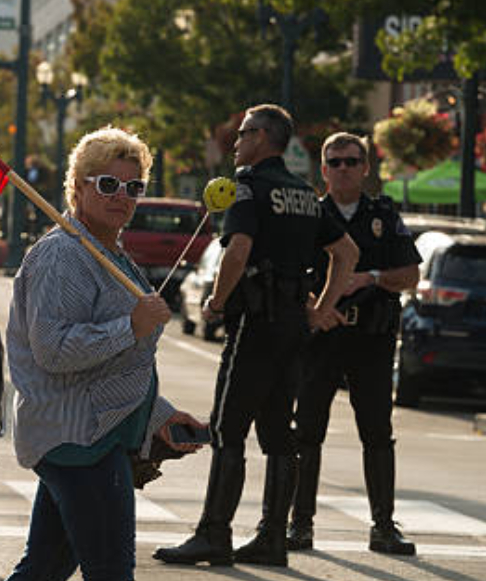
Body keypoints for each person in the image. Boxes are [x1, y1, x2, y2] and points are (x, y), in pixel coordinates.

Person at [153, 104, 359, 568]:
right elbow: (346, 252)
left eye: (243, 133)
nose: (236, 142)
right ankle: (271, 538)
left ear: (263, 138)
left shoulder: (249, 187)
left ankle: (214, 533)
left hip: (255, 322)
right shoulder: (305, 193)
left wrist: (218, 302)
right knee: (277, 435)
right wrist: (322, 310)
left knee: (228, 429)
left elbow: (239, 249)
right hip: (292, 325)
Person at [5, 126, 206, 581]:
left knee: (43, 570)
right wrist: (130, 325)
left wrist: (160, 417)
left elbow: (117, 371)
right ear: (78, 187)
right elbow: (52, 351)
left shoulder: (110, 254)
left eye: (134, 187)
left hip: (91, 438)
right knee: (111, 572)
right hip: (80, 442)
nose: (123, 197)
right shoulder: (64, 256)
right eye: (108, 184)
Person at [285, 132, 422, 556]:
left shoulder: (382, 215)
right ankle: (299, 524)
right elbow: (286, 273)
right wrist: (315, 307)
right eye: (335, 162)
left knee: (377, 432)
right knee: (306, 431)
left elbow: (411, 275)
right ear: (322, 170)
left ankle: (383, 526)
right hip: (321, 337)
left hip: (371, 338)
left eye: (352, 161)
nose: (343, 169)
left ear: (366, 167)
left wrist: (372, 277)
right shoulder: (308, 214)